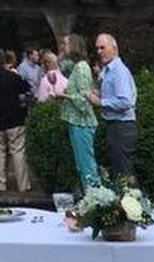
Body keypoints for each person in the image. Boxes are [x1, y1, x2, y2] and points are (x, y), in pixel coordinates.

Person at [90, 32, 137, 178]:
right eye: (97, 48)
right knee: (118, 172)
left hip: (122, 127)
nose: (99, 52)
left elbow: (126, 101)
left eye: (102, 48)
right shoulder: (109, 70)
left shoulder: (119, 71)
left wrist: (100, 102)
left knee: (123, 173)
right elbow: (114, 95)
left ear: (114, 48)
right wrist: (98, 93)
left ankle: (130, 200)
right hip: (114, 126)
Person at [59, 34, 98, 189]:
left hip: (82, 123)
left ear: (74, 45)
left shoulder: (82, 68)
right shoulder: (76, 66)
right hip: (77, 122)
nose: (63, 46)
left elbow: (83, 101)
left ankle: (95, 201)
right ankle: (90, 199)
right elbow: (63, 67)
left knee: (86, 166)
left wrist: (64, 95)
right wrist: (62, 53)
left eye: (66, 44)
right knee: (81, 165)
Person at [0, 52, 31, 190]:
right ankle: (23, 185)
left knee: (0, 153)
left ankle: (1, 185)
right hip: (15, 120)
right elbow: (27, 89)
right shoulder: (13, 77)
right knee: (18, 152)